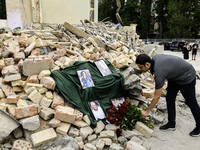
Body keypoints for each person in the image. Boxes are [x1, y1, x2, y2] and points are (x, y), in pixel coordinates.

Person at [135, 54, 200, 137]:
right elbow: (155, 70)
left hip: (186, 76)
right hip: (175, 77)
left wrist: (147, 111)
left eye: (141, 67)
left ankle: (199, 126)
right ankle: (171, 123)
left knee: (191, 102)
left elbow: (157, 97)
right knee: (169, 98)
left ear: (147, 64)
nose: (140, 69)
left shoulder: (159, 72)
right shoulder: (154, 59)